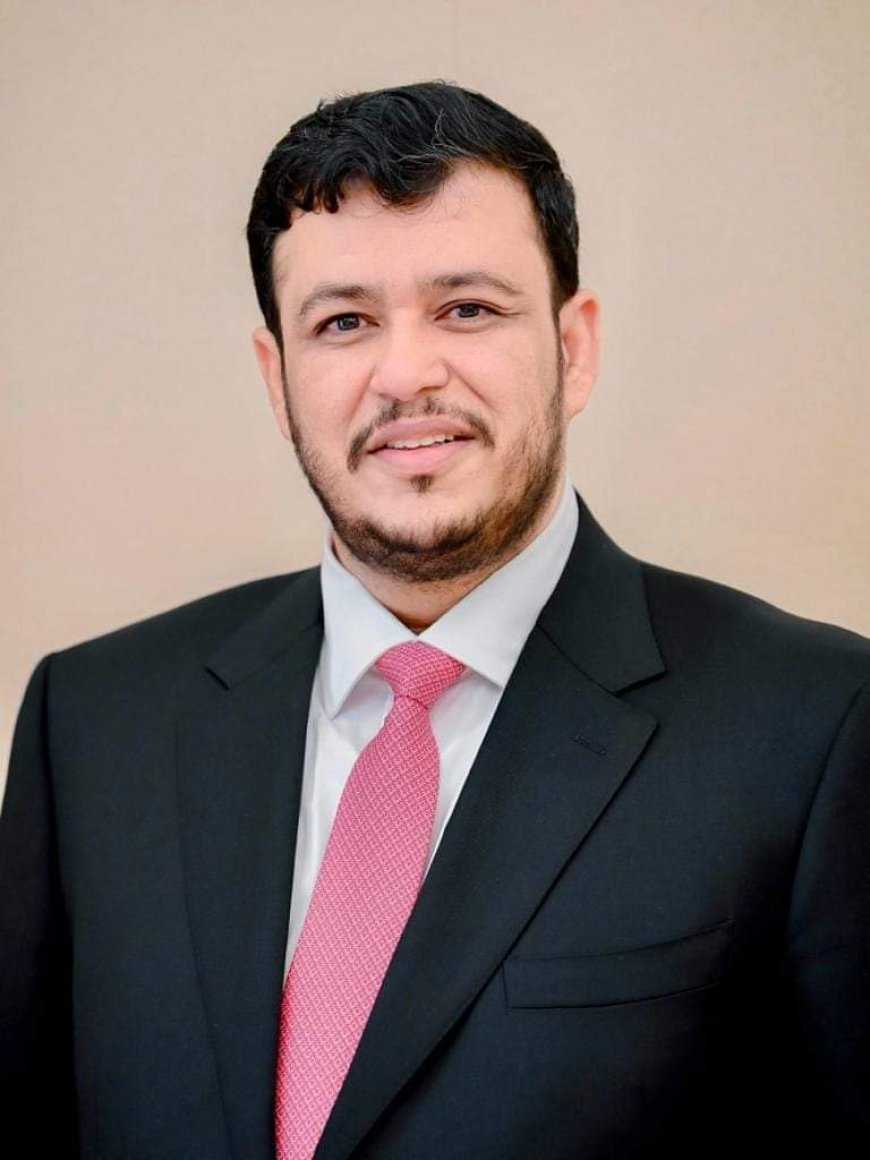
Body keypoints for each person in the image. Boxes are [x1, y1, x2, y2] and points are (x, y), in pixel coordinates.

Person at [1, 81, 867, 1160]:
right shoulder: (91, 723)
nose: (406, 374)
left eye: (468, 309)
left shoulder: (817, 726)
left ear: (574, 348)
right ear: (278, 378)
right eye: (344, 322)